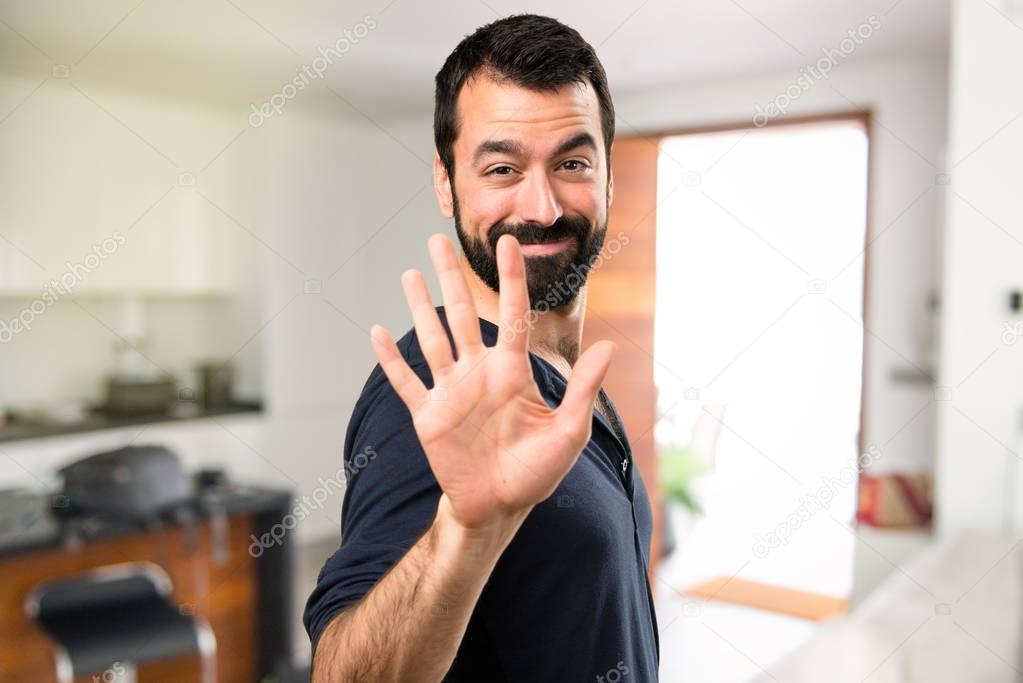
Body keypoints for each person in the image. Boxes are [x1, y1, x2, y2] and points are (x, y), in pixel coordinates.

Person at [304, 13, 660, 681]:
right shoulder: (437, 388)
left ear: (609, 178)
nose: (543, 205)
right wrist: (465, 531)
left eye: (572, 162)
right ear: (446, 184)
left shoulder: (568, 376)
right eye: (501, 167)